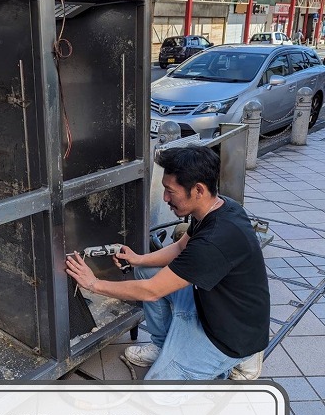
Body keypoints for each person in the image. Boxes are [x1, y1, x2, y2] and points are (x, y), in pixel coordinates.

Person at [65, 146, 270, 381]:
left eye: (170, 191)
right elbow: (180, 247)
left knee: (157, 389)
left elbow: (151, 291)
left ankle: (241, 359)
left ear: (198, 190)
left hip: (232, 336)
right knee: (145, 271)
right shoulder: (218, 207)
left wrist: (94, 284)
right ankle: (163, 346)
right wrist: (138, 259)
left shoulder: (214, 240)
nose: (165, 198)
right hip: (212, 305)